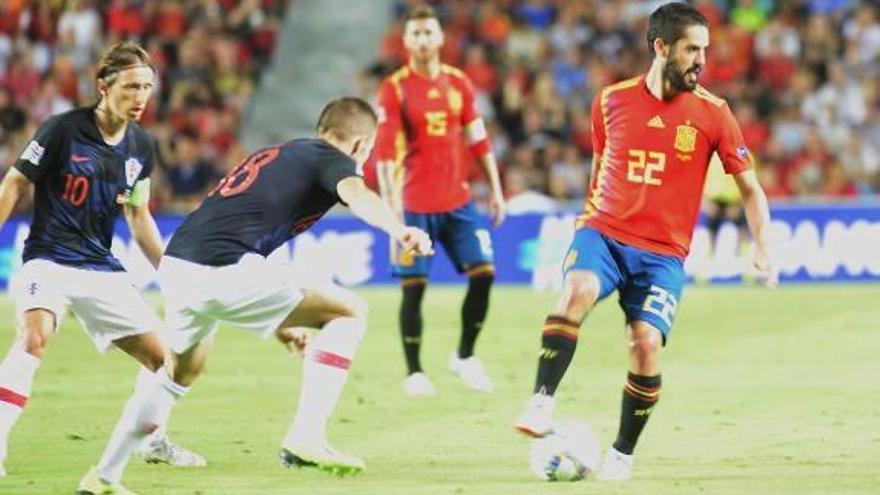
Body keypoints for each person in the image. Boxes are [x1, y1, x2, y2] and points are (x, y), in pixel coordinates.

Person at [79, 97, 433, 493]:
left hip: (179, 265)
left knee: (176, 373)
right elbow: (358, 195)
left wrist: (283, 322)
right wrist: (399, 230)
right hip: (220, 266)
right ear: (359, 145)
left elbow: (252, 229)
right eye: (365, 152)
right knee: (350, 311)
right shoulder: (334, 158)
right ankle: (307, 436)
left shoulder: (280, 154)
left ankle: (104, 477)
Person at [514, 2, 777, 481]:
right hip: (606, 233)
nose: (701, 60)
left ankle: (621, 453)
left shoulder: (715, 114)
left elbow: (751, 189)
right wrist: (586, 218)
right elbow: (600, 165)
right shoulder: (611, 99)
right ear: (661, 47)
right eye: (690, 49)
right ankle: (541, 401)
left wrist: (762, 246)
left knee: (645, 344)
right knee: (577, 291)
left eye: (704, 50)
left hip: (663, 256)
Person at [0, 42, 203, 481]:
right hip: (48, 259)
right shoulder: (61, 130)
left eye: (148, 87)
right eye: (131, 87)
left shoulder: (142, 147)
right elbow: (14, 184)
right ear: (102, 87)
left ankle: (153, 440)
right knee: (34, 338)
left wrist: (172, 272)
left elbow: (138, 215)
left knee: (166, 360)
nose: (141, 97)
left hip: (100, 267)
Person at [374, 4, 506, 396]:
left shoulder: (459, 83)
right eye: (416, 34)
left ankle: (464, 356)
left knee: (484, 274)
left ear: (441, 37)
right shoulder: (395, 88)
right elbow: (385, 153)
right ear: (406, 40)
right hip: (414, 206)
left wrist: (496, 189)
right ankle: (414, 372)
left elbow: (478, 140)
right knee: (414, 288)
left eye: (429, 32)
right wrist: (392, 212)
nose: (423, 40)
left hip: (459, 202)